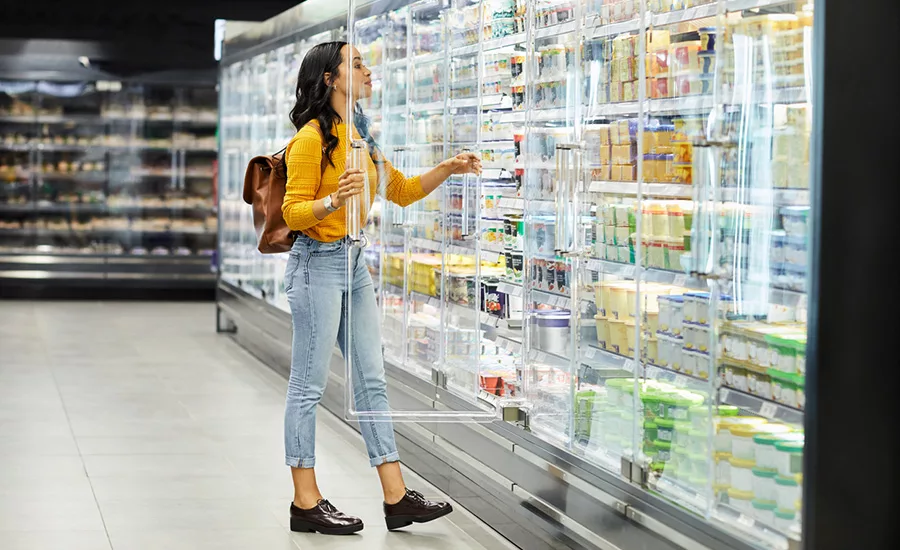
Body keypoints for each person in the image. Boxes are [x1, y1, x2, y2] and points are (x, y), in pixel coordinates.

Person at [279, 41, 481, 535]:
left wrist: (450, 168)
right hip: (316, 265)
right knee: (308, 386)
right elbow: (292, 212)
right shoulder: (312, 140)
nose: (368, 71)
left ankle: (396, 497)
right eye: (358, 63)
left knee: (371, 379)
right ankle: (305, 501)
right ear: (330, 78)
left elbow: (404, 191)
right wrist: (331, 202)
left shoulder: (360, 136)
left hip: (352, 263)